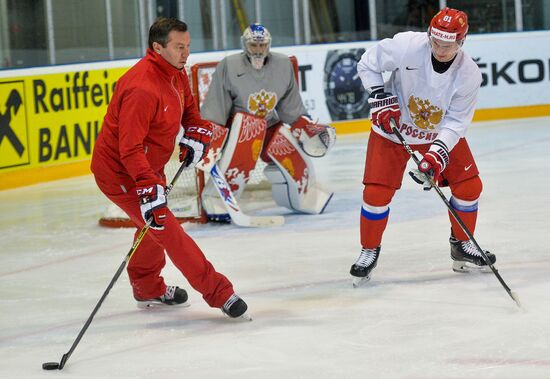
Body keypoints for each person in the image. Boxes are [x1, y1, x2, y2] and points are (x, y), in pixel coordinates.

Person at [91, 17, 248, 318]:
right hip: (121, 173)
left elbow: (189, 109)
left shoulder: (175, 72)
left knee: (150, 227)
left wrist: (196, 131)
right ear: (157, 47)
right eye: (179, 47)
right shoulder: (141, 88)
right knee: (166, 228)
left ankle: (148, 287)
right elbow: (129, 148)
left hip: (149, 165)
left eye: (188, 46)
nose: (186, 53)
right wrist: (146, 184)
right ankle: (220, 293)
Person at [350, 7, 496, 285]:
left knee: (469, 186)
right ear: (429, 35)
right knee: (376, 192)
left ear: (461, 42)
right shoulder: (407, 46)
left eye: (448, 45)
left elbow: (456, 122)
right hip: (391, 129)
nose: (440, 50)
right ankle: (369, 250)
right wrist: (379, 95)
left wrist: (437, 153)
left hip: (436, 132)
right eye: (436, 42)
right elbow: (367, 63)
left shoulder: (469, 75)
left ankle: (462, 246)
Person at [199, 23, 336, 222]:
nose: (258, 50)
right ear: (245, 45)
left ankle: (304, 193)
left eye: (262, 45)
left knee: (287, 147)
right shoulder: (229, 66)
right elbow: (216, 106)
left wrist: (304, 127)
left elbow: (291, 107)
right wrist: (209, 140)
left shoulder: (282, 65)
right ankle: (216, 198)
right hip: (240, 129)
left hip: (270, 125)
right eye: (254, 45)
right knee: (250, 128)